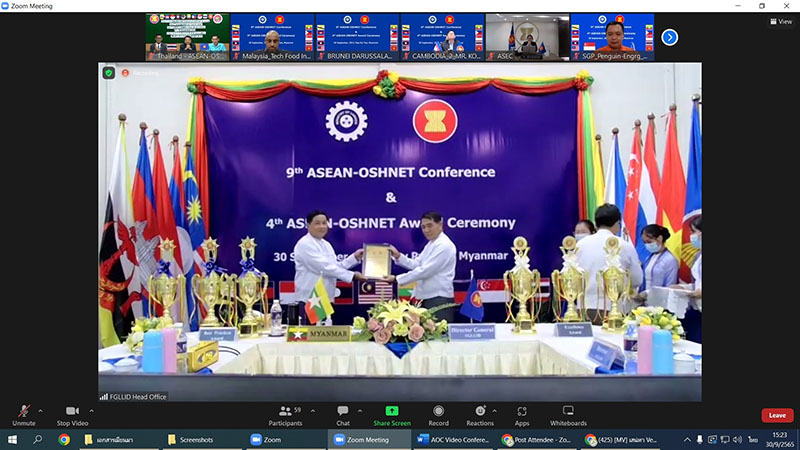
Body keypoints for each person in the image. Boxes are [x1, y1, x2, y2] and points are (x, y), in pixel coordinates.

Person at [574, 204, 643, 325]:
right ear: (617, 224)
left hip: (584, 308)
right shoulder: (625, 245)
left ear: (596, 224)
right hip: (615, 310)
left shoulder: (580, 245)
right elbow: (637, 280)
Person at [293, 210, 366, 325]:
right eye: (317, 223)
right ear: (308, 225)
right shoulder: (304, 244)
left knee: (323, 333)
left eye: (324, 223)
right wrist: (352, 276)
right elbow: (324, 268)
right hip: (311, 299)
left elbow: (335, 267)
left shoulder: (326, 244)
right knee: (311, 334)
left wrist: (354, 258)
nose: (322, 226)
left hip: (324, 299)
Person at [383, 211, 457, 323]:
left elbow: (425, 271)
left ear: (440, 224)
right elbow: (417, 264)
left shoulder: (445, 245)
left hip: (438, 299)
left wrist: (396, 279)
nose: (426, 230)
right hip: (425, 298)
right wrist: (398, 256)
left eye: (429, 225)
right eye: (423, 227)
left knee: (439, 333)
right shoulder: (431, 244)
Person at [670, 215, 702, 343]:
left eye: (694, 231)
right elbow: (697, 283)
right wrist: (683, 287)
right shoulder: (698, 255)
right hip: (697, 308)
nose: (691, 236)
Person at [632, 224, 679, 303]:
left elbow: (670, 286)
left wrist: (647, 293)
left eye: (649, 242)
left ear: (659, 239)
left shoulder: (670, 260)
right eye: (644, 242)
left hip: (661, 302)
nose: (647, 245)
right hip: (645, 301)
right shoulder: (649, 258)